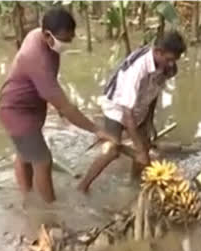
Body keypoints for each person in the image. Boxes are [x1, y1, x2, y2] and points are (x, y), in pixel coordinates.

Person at [0, 6, 117, 203]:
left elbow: (51, 89)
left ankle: (27, 197)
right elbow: (66, 107)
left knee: (25, 153)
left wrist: (55, 100)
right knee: (43, 161)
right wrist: (96, 129)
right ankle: (49, 209)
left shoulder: (38, 36)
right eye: (64, 40)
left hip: (27, 106)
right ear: (47, 34)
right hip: (17, 112)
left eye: (70, 39)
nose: (67, 44)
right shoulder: (36, 59)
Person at [78, 31, 187, 194]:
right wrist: (139, 150)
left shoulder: (166, 67)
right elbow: (127, 115)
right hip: (117, 105)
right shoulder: (137, 70)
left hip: (139, 104)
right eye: (169, 59)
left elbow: (153, 94)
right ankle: (82, 186)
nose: (172, 64)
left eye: (174, 60)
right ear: (157, 52)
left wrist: (149, 123)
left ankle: (134, 183)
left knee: (146, 144)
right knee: (113, 149)